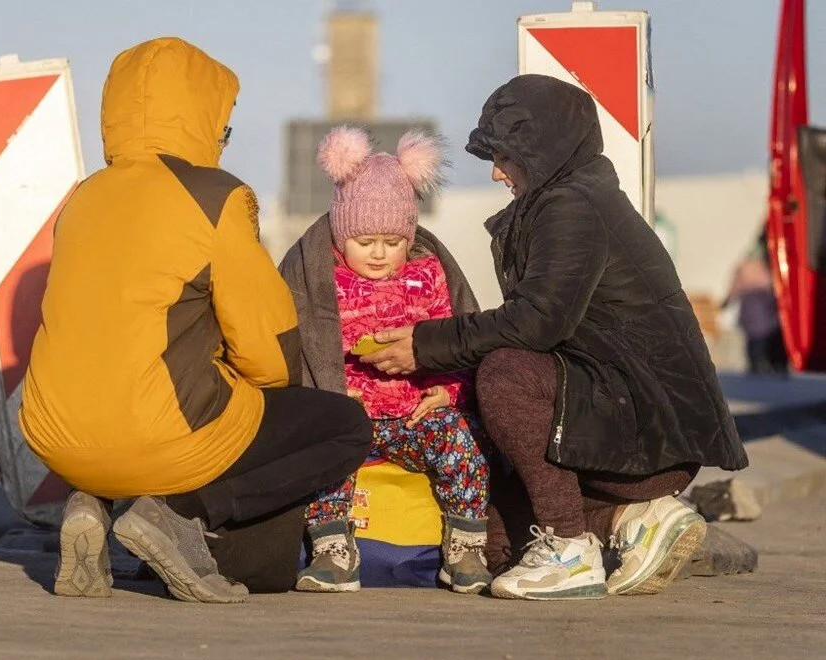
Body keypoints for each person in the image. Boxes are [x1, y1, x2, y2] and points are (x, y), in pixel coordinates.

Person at [362, 75, 748, 600]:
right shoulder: (576, 198)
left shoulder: (572, 206)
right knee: (499, 544)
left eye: (503, 156)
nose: (497, 173)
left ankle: (570, 547)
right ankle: (631, 521)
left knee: (505, 374)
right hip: (636, 425)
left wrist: (424, 346)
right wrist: (454, 384)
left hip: (646, 434)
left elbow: (536, 322)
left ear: (540, 150)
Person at [18, 38, 372, 604]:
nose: (223, 144)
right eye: (221, 128)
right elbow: (265, 347)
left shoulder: (82, 199)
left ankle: (91, 504)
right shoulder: (214, 197)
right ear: (200, 121)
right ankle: (177, 514)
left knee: (139, 390)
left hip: (56, 439)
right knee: (344, 426)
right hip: (160, 437)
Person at [280, 127, 493, 594]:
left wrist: (450, 391)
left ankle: (466, 547)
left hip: (415, 414)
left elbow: (455, 337)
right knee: (329, 456)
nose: (379, 253)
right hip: (351, 414)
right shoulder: (322, 281)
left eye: (393, 241)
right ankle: (333, 549)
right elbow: (300, 348)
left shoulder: (429, 276)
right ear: (341, 237)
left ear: (410, 237)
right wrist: (334, 395)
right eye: (366, 241)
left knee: (462, 447)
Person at [724, 232, 788, 375]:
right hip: (764, 310)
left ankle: (758, 364)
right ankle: (771, 364)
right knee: (765, 339)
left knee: (757, 340)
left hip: (758, 310)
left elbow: (735, 286)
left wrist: (727, 301)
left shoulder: (748, 266)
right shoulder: (767, 266)